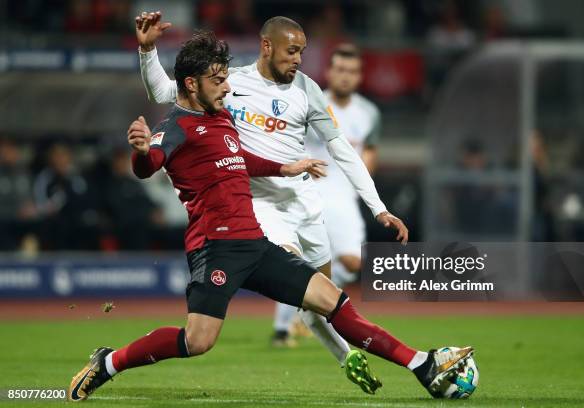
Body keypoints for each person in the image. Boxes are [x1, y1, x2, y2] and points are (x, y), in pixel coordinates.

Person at [68, 31, 473, 402]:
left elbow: (235, 158)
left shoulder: (221, 116)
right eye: (217, 80)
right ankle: (109, 362)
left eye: (226, 77)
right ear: (191, 84)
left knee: (334, 303)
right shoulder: (175, 127)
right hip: (215, 248)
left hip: (255, 243)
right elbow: (150, 163)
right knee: (198, 341)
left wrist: (283, 167)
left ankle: (421, 364)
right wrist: (140, 152)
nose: (227, 87)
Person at [136, 11, 408, 392]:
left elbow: (343, 150)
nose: (298, 58)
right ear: (267, 46)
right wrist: (147, 51)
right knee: (293, 279)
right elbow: (166, 93)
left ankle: (348, 354)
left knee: (321, 301)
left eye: (301, 51)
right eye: (292, 50)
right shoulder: (231, 84)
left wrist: (377, 206)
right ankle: (346, 355)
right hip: (259, 207)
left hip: (305, 204)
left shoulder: (308, 90)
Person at [276, 44, 381, 340]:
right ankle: (283, 328)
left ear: (359, 76)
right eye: (340, 69)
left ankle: (303, 312)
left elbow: (370, 152)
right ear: (329, 72)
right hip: (310, 188)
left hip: (343, 195)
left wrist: (360, 185)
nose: (345, 76)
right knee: (298, 258)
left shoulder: (369, 112)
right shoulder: (310, 100)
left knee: (351, 262)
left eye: (352, 71)